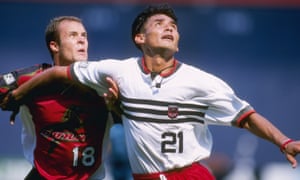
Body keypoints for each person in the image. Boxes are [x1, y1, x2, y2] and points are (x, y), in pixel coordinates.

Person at [3, 4, 300, 180]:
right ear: (140, 38)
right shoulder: (118, 72)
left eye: (173, 26)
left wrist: (283, 141)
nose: (169, 28)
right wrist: (19, 95)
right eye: (160, 23)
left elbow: (246, 116)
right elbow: (54, 73)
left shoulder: (202, 82)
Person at [1, 16, 119, 179]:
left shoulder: (101, 81)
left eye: (84, 36)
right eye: (73, 35)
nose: (81, 41)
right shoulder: (31, 79)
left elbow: (129, 119)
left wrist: (117, 108)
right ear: (54, 45)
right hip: (43, 175)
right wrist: (9, 100)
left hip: (90, 176)